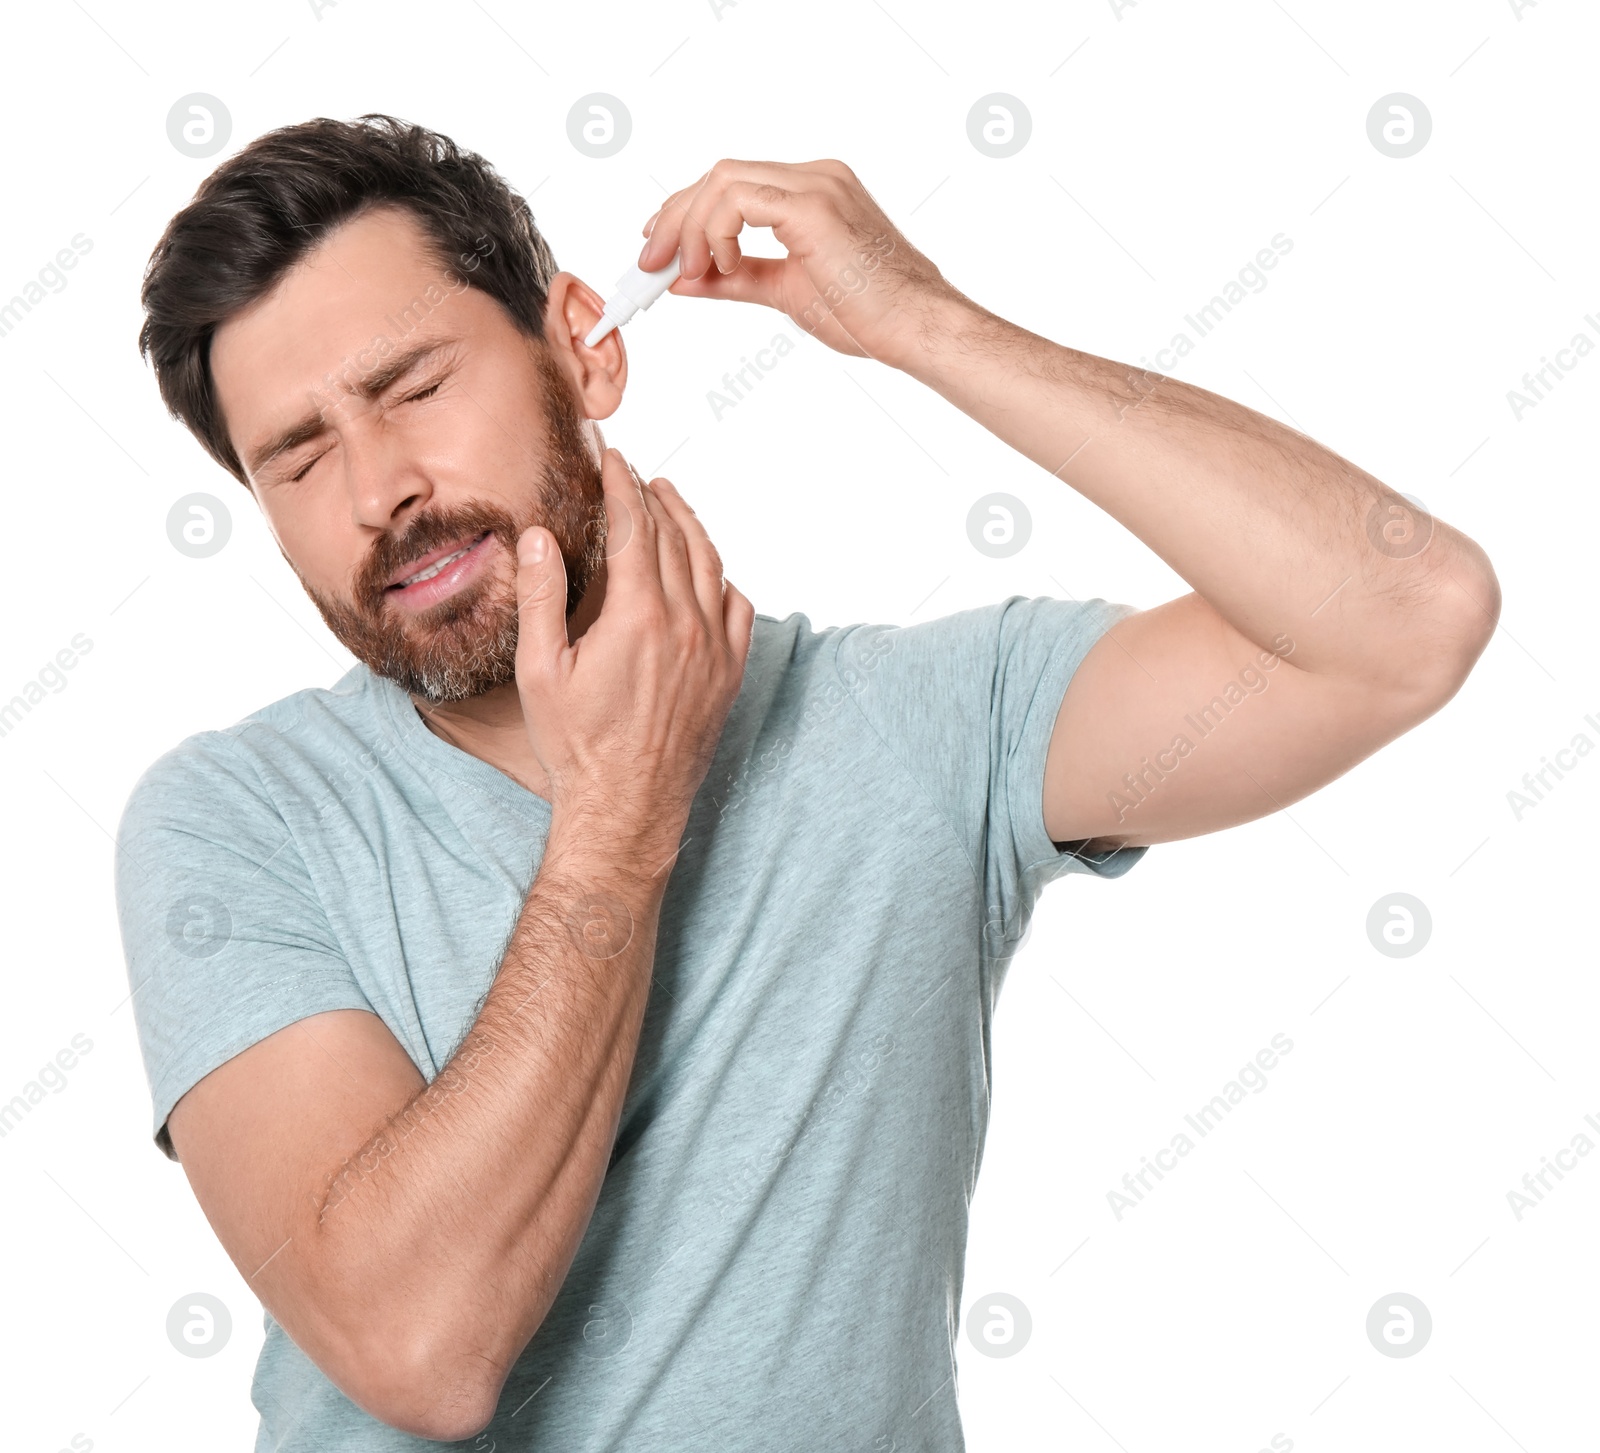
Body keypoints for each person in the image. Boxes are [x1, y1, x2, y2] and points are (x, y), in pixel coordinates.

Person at [117, 114, 1498, 1450]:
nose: (377, 491)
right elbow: (419, 1343)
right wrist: (621, 814)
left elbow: (1405, 621)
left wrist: (923, 321)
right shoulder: (235, 821)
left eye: (413, 387)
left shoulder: (924, 728)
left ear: (581, 345)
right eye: (296, 457)